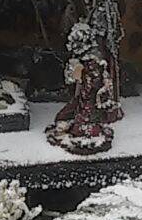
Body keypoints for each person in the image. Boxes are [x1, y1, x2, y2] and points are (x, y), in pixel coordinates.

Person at [46, 21, 115, 155]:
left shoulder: (94, 62)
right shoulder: (82, 61)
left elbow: (94, 83)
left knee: (85, 114)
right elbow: (75, 80)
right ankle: (77, 122)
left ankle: (86, 127)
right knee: (72, 111)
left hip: (91, 98)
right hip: (84, 96)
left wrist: (85, 78)